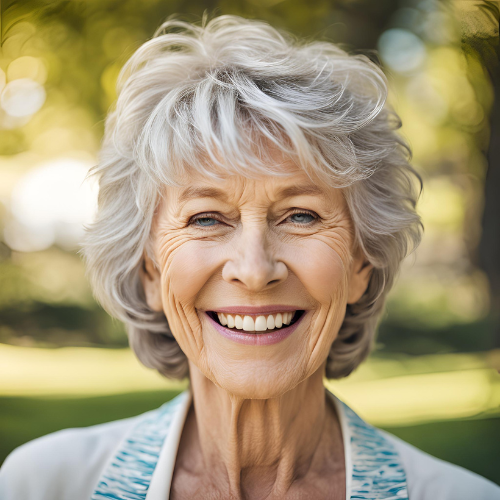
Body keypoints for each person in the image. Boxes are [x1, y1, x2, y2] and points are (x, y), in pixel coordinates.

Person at [0, 15, 498, 500]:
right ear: (150, 269)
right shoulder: (42, 485)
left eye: (300, 216)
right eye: (206, 218)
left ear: (360, 265)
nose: (256, 270)